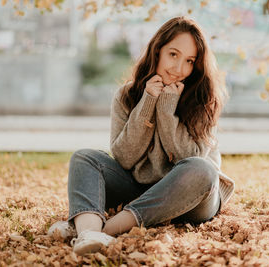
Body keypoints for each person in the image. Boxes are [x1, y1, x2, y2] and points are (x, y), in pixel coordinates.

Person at [48, 16, 235, 255]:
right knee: (85, 158)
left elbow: (187, 159)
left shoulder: (202, 99)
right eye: (173, 55)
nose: (179, 69)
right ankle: (88, 232)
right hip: (142, 188)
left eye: (189, 61)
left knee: (202, 169)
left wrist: (167, 111)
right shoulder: (127, 95)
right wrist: (148, 103)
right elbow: (124, 158)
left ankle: (102, 231)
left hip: (193, 197)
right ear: (157, 52)